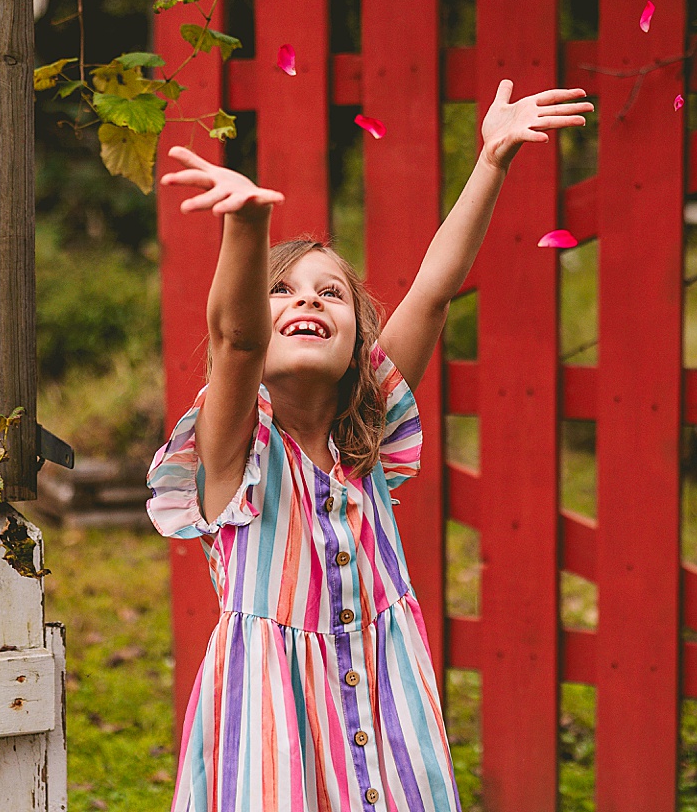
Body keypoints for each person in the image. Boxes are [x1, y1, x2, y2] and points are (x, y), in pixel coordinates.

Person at [148, 79, 593, 811]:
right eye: (283, 290)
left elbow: (434, 292)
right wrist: (247, 225)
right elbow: (233, 339)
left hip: (389, 722)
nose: (308, 301)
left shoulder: (368, 443)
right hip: (273, 736)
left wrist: (492, 161)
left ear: (361, 343)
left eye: (330, 293)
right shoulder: (236, 452)